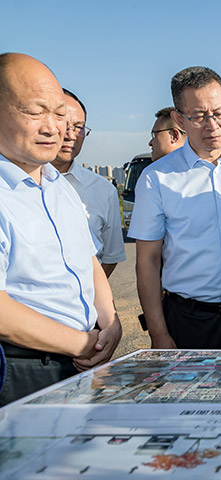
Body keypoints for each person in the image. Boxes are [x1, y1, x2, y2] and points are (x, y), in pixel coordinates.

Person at [0, 53, 121, 405]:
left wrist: (111, 324)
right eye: (35, 112)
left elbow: (88, 260)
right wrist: (82, 344)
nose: (53, 128)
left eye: (59, 114)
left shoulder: (58, 185)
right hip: (22, 368)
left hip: (81, 360)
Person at [129, 66, 221, 350]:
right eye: (198, 116)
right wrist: (158, 332)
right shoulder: (157, 178)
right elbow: (148, 261)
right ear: (178, 119)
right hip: (188, 320)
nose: (212, 125)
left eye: (219, 113)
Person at [50, 89, 126, 278]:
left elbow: (111, 256)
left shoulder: (103, 190)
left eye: (78, 127)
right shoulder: (14, 184)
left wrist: (89, 290)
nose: (70, 135)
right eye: (63, 124)